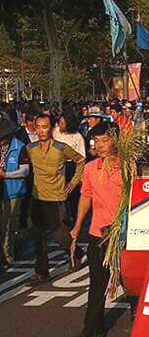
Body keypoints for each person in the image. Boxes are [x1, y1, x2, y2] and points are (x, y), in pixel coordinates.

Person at [71, 123, 122, 337]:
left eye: (104, 140)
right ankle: (93, 327)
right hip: (98, 232)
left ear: (116, 141)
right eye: (96, 141)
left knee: (129, 282)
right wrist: (77, 225)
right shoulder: (91, 168)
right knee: (97, 283)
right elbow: (86, 197)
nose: (99, 145)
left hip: (123, 234)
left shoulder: (128, 166)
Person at [26, 114, 85, 284]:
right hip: (37, 198)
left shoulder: (61, 147)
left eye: (46, 126)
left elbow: (80, 160)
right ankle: (42, 272)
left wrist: (73, 182)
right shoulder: (30, 149)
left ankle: (77, 253)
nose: (42, 130)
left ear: (51, 129)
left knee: (59, 235)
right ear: (35, 128)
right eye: (39, 127)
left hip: (57, 198)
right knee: (39, 237)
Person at [0, 117, 29, 266]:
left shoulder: (20, 147)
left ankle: (8, 254)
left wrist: (6, 175)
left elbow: (25, 171)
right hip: (1, 191)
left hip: (14, 191)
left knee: (10, 224)